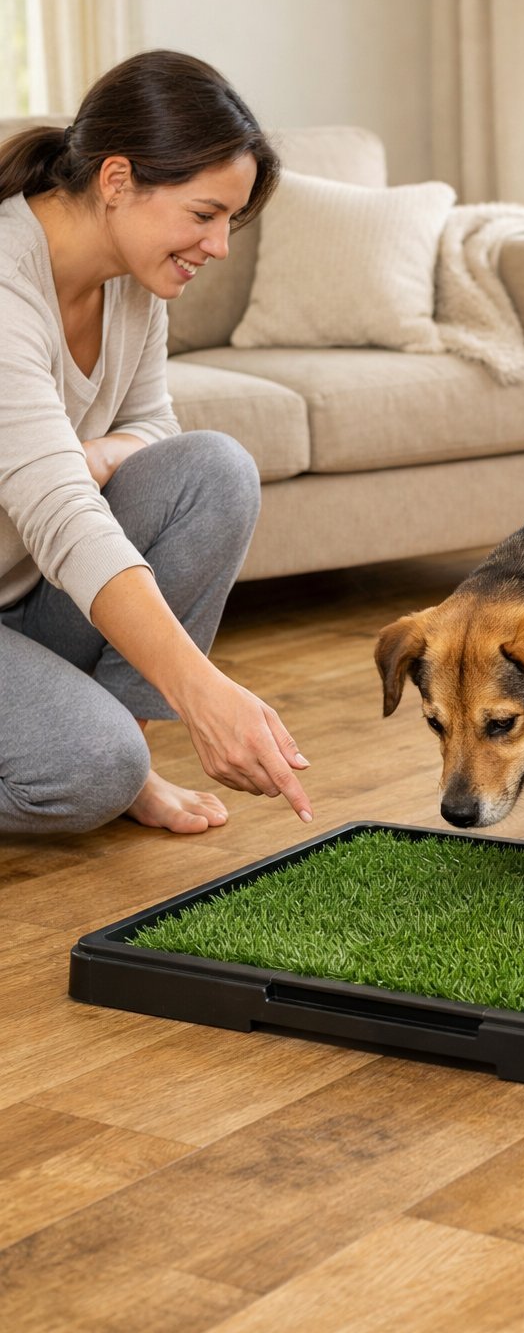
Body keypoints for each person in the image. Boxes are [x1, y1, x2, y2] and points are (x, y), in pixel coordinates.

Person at [0, 50, 314, 836]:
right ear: (116, 181)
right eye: (204, 215)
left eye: (229, 223)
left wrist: (92, 456)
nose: (219, 246)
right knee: (85, 772)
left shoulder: (136, 279)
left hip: (22, 596)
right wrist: (201, 693)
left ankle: (130, 764)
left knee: (213, 470)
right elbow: (62, 516)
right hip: (35, 567)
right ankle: (113, 767)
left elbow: (155, 431)